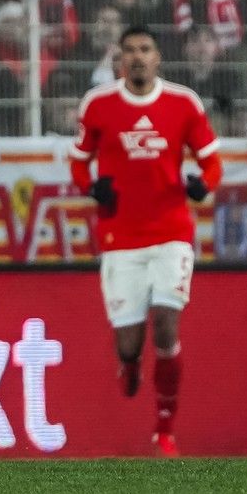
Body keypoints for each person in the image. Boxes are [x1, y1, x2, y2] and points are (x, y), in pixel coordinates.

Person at [69, 25, 221, 457]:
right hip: (120, 237)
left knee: (167, 325)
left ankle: (164, 430)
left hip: (171, 232)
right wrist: (91, 188)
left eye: (145, 49)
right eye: (130, 50)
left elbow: (212, 162)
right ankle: (129, 363)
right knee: (129, 343)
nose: (137, 57)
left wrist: (203, 186)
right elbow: (79, 162)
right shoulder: (99, 104)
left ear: (158, 58)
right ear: (120, 60)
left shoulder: (183, 103)